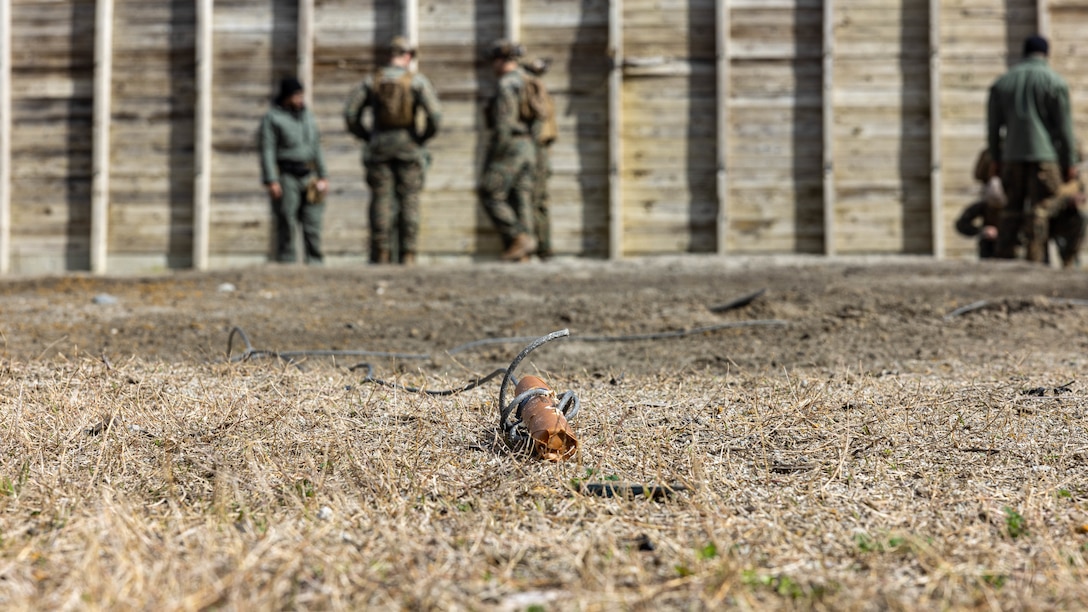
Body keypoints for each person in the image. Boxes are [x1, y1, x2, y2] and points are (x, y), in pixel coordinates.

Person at [344, 36, 442, 265]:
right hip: (408, 143)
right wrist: (421, 138)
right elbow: (436, 116)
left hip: (379, 145)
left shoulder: (372, 81)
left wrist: (366, 135)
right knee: (409, 200)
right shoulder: (417, 81)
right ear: (407, 56)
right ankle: (408, 253)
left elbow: (350, 114)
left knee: (381, 200)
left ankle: (382, 252)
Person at [986, 34, 1078, 263]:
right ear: (1046, 53)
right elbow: (1065, 130)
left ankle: (1004, 258)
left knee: (1011, 208)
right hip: (1045, 157)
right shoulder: (1055, 82)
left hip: (1011, 157)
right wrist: (1069, 163)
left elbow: (993, 128)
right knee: (1040, 209)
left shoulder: (1002, 83)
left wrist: (996, 160)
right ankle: (1035, 260)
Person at [258, 77, 329, 264]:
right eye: (296, 95)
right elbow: (267, 150)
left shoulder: (308, 116)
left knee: (313, 221)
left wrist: (324, 175)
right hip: (287, 176)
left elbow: (317, 147)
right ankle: (286, 262)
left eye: (301, 94)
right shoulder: (273, 118)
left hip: (310, 175)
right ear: (286, 96)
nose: (300, 99)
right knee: (287, 220)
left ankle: (315, 261)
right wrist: (271, 180)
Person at [479, 39, 538, 262]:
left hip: (511, 145)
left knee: (490, 191)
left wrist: (497, 152)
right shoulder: (528, 80)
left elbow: (503, 123)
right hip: (528, 146)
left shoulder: (506, 85)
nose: (493, 66)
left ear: (502, 60)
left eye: (494, 61)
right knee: (521, 196)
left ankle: (518, 237)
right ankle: (525, 253)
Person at [521, 57, 556, 260]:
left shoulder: (534, 88)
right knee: (538, 199)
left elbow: (540, 118)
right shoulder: (539, 88)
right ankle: (542, 247)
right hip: (538, 148)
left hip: (536, 149)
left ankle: (541, 247)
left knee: (534, 199)